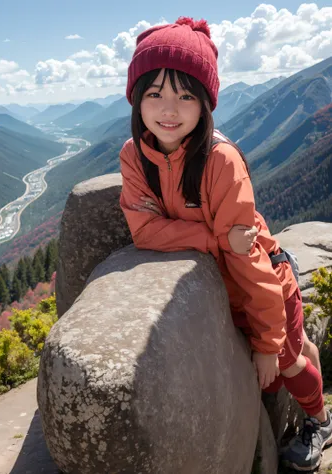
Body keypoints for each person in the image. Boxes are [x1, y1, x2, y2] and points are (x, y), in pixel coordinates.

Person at [119, 16, 331, 472]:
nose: (168, 109)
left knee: (288, 366)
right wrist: (217, 236)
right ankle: (302, 358)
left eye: (185, 95)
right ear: (136, 99)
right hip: (224, 285)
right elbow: (143, 231)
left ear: (205, 104)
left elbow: (250, 258)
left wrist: (269, 343)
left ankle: (320, 420)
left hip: (263, 285)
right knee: (291, 358)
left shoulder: (220, 161)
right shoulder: (134, 154)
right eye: (154, 93)